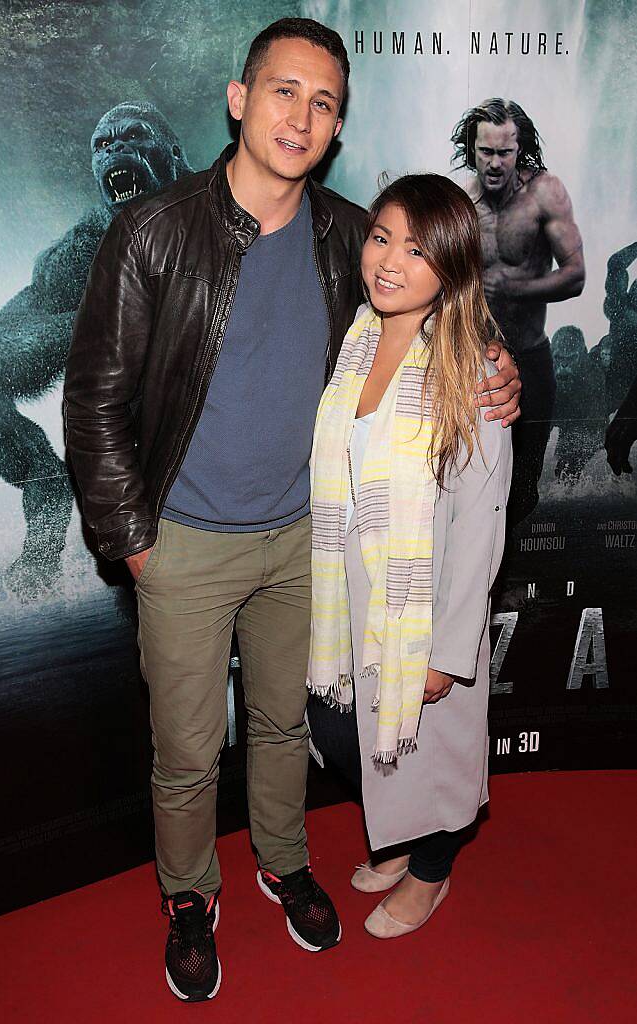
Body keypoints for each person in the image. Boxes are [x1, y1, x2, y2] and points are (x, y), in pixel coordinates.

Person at [64, 19, 520, 1002]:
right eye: (283, 91)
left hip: (304, 545)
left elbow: (438, 309)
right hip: (180, 544)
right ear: (238, 98)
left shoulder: (350, 234)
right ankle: (189, 896)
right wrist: (133, 546)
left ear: (338, 124)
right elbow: (93, 399)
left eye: (323, 102)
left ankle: (281, 857)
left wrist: (497, 367)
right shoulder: (151, 232)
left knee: (283, 726)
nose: (300, 116)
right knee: (188, 747)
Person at [307, 173, 512, 939]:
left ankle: (429, 873)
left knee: (432, 757)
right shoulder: (355, 339)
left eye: (418, 249)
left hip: (426, 609)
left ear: (452, 267)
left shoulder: (475, 370)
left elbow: (480, 525)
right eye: (381, 238)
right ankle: (395, 841)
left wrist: (448, 650)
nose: (389, 262)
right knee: (353, 738)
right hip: (353, 597)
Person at [451, 98, 585, 525]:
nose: (494, 163)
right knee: (467, 485)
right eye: (485, 152)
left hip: (529, 357)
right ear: (471, 149)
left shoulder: (545, 194)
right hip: (471, 362)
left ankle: (502, 576)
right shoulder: (459, 201)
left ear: (519, 149)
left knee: (524, 488)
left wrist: (516, 286)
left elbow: (576, 275)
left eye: (504, 153)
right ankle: (479, 589)